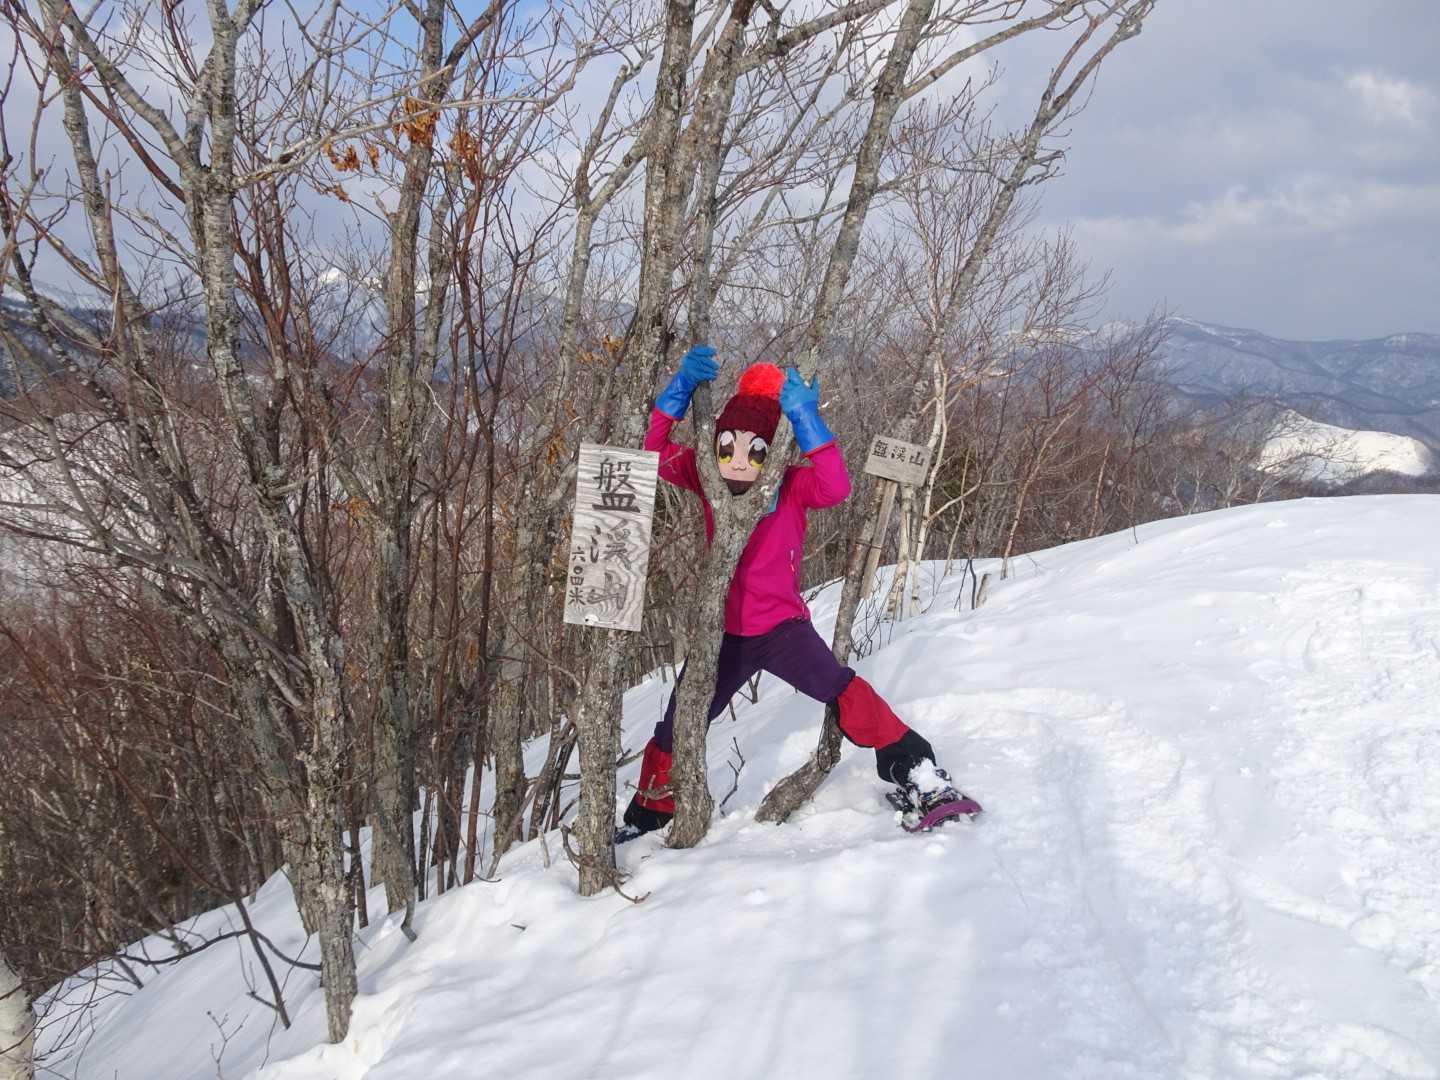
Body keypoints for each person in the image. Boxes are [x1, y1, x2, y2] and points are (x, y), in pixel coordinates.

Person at [617, 344, 979, 840]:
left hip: (782, 630)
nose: (738, 462)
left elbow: (836, 487)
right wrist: (679, 390)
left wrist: (806, 418)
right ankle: (649, 816)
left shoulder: (788, 486)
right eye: (727, 447)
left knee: (841, 688)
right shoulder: (706, 478)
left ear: (773, 453)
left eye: (755, 451)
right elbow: (652, 452)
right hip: (722, 635)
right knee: (680, 720)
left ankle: (918, 771)